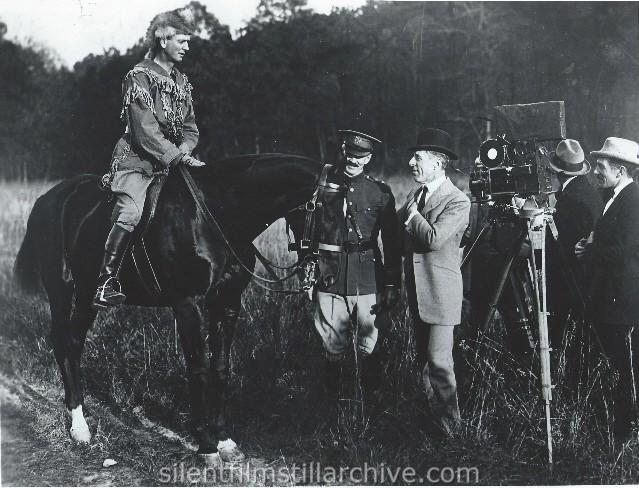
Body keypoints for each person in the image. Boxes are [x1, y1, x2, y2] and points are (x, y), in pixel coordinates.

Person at [93, 8, 205, 310]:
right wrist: (177, 157)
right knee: (131, 211)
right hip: (138, 162)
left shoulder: (182, 81)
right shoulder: (138, 78)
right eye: (181, 41)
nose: (187, 47)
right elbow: (145, 132)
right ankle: (106, 282)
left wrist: (185, 150)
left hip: (173, 162)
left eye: (188, 42)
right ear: (163, 39)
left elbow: (191, 128)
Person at [312, 130, 401, 403]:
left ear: (369, 159)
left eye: (359, 156)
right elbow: (310, 232)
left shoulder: (380, 193)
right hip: (331, 278)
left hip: (368, 280)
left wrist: (391, 284)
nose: (353, 160)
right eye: (350, 154)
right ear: (343, 152)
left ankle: (369, 407)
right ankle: (334, 406)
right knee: (332, 345)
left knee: (369, 345)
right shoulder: (324, 187)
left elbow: (393, 244)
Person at [398, 128, 470, 436]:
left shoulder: (458, 200)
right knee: (424, 363)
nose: (411, 163)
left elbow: (434, 238)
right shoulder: (417, 194)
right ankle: (431, 424)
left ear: (439, 164)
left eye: (418, 158)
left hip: (441, 295)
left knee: (440, 363)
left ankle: (452, 433)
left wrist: (413, 216)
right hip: (419, 292)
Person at [575, 137, 639, 440]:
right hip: (611, 301)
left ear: (621, 171)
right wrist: (589, 246)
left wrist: (592, 245)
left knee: (624, 373)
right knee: (615, 370)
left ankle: (623, 438)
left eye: (601, 166)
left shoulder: (633, 201)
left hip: (622, 304)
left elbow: (624, 251)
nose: (596, 171)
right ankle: (613, 433)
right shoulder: (614, 197)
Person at [546, 139, 603, 351]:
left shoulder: (573, 200)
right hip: (583, 279)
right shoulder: (587, 192)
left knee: (568, 335)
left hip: (571, 281)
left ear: (558, 172)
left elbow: (566, 248)